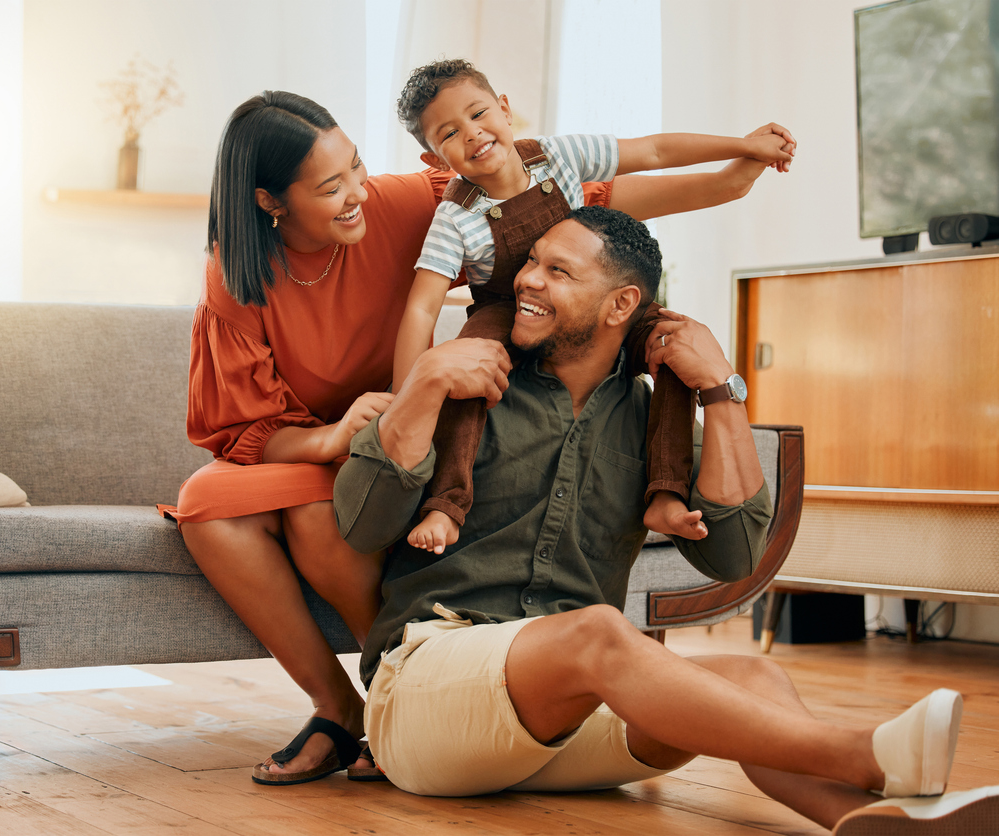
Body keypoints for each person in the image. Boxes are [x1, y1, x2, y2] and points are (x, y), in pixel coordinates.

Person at [160, 89, 795, 787]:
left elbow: (567, 197)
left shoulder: (407, 203)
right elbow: (243, 428)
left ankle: (392, 697)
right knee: (211, 502)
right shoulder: (237, 278)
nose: (356, 195)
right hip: (361, 432)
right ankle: (348, 703)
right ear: (269, 202)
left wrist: (734, 172)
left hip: (421, 421)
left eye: (358, 169)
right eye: (329, 187)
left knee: (321, 514)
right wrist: (362, 422)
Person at [334, 205, 998, 834]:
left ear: (620, 304)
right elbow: (361, 525)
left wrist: (721, 389)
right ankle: (864, 755)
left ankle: (864, 820)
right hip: (427, 696)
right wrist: (422, 382)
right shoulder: (467, 384)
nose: (527, 280)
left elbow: (735, 558)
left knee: (754, 680)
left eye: (557, 271)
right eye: (531, 262)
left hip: (562, 723)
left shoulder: (658, 428)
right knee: (598, 631)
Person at [389, 58, 795, 557]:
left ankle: (666, 492)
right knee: (466, 370)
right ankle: (446, 503)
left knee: (674, 345)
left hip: (591, 292)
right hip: (506, 306)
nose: (472, 134)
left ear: (505, 108)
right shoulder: (455, 217)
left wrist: (743, 145)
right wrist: (407, 395)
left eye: (477, 114)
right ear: (435, 159)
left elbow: (654, 149)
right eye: (449, 133)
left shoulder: (559, 156)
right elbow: (421, 310)